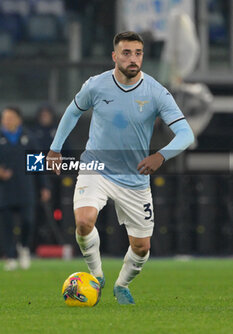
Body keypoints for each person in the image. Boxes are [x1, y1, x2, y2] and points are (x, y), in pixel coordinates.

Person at [46, 31, 194, 304]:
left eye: (138, 53)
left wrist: (161, 156)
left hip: (134, 178)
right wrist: (55, 148)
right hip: (96, 166)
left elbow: (186, 134)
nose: (133, 58)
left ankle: (122, 285)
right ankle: (97, 275)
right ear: (115, 56)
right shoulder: (96, 85)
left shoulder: (156, 92)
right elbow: (73, 111)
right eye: (126, 53)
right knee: (82, 221)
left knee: (141, 247)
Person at [0, 107, 51, 271]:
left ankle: (24, 248)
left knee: (28, 222)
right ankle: (10, 256)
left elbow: (37, 166)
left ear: (19, 120)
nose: (6, 120)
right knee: (6, 225)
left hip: (25, 188)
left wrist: (43, 187)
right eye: (4, 117)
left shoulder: (28, 138)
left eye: (10, 117)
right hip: (4, 190)